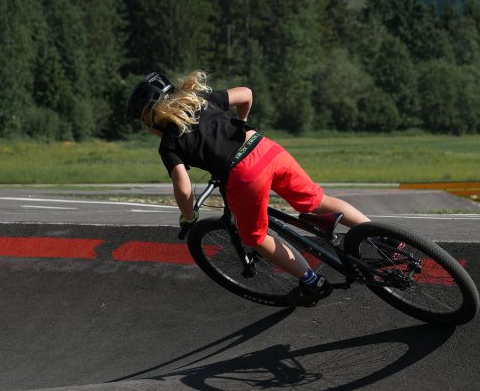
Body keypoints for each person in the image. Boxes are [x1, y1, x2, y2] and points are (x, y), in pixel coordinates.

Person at [126, 69, 370, 305]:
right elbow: (246, 94)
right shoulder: (202, 99)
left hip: (245, 174)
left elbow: (183, 187)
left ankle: (312, 282)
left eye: (144, 122)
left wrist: (188, 216)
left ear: (153, 117)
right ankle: (379, 235)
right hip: (267, 148)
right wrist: (240, 122)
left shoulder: (169, 143)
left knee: (255, 237)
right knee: (318, 201)